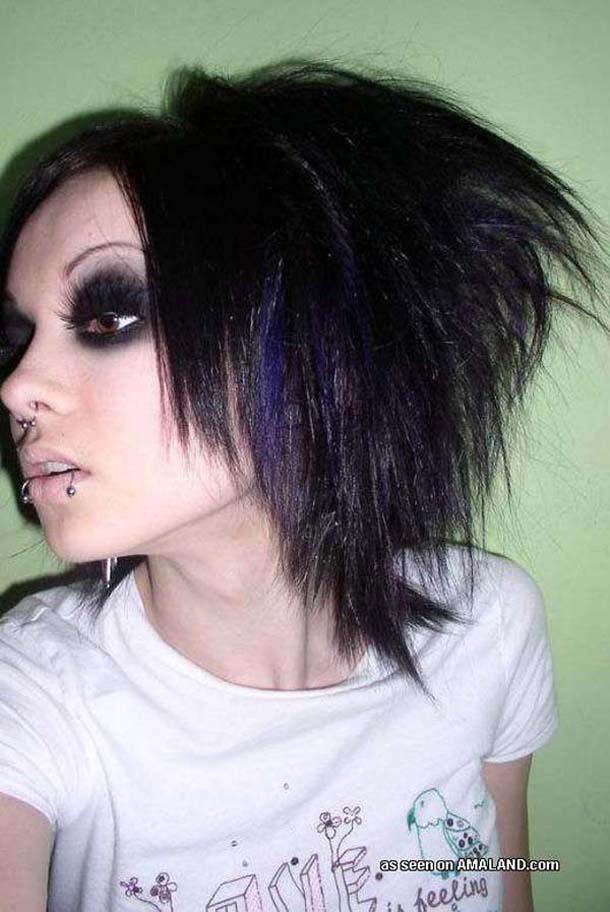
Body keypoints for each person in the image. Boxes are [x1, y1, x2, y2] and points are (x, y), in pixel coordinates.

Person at [0, 58, 606, 912]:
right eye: (16, 338)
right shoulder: (32, 694)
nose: (17, 387)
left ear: (306, 347)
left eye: (109, 317)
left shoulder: (488, 630)